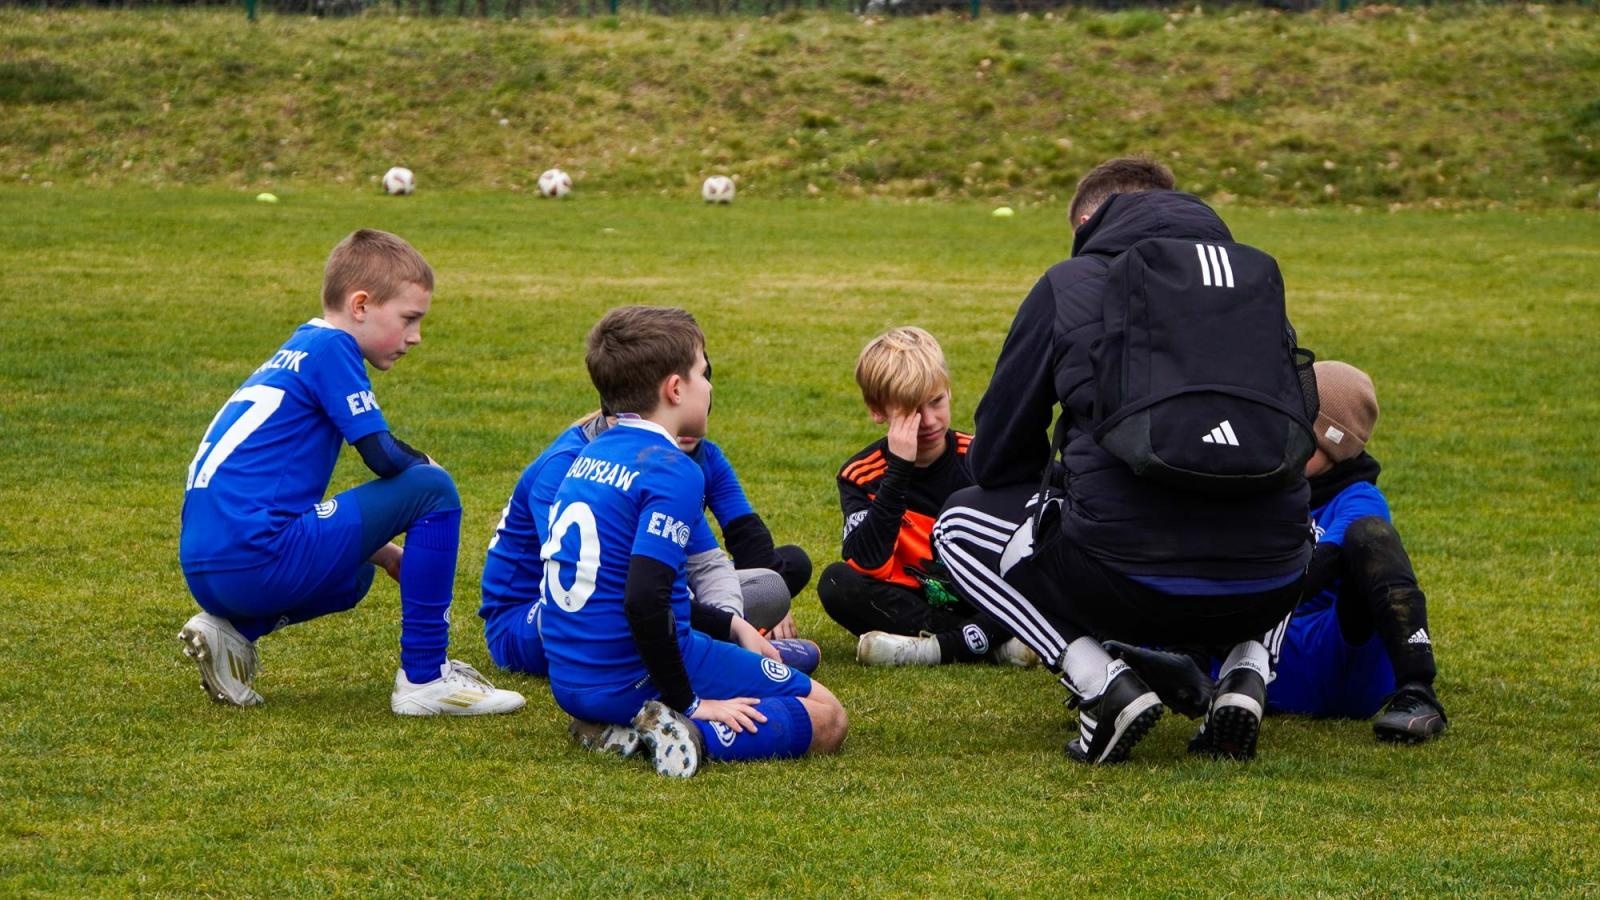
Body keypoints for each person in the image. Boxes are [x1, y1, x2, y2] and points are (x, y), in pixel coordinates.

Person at [933, 157, 1313, 764]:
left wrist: (1067, 483)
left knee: (956, 526)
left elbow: (999, 453)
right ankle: (1247, 671)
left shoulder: (1070, 282)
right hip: (1265, 586)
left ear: (1090, 220)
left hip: (1123, 581)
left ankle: (1102, 685)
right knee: (1291, 521)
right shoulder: (1254, 288)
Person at [177, 229, 524, 716]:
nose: (415, 337)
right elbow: (382, 455)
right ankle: (426, 677)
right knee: (433, 488)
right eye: (409, 319)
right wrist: (429, 467)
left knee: (357, 573)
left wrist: (382, 551)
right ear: (360, 305)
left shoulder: (297, 349)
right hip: (255, 557)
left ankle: (232, 631)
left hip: (208, 563)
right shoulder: (333, 347)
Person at [538, 306, 847, 777]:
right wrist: (691, 702)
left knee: (738, 655)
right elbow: (644, 599)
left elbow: (626, 589)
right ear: (675, 389)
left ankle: (612, 727)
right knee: (828, 715)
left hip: (573, 681)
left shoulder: (587, 455)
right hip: (630, 676)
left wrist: (732, 626)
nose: (709, 387)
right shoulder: (673, 470)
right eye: (703, 373)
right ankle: (684, 733)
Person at [479, 410, 818, 682]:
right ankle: (704, 652)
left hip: (636, 594)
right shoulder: (566, 464)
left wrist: (727, 626)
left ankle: (716, 647)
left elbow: (710, 562)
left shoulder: (667, 464)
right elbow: (590, 580)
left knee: (769, 586)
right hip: (534, 618)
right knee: (630, 601)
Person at [816, 326, 1035, 668]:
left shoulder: (981, 458)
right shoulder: (861, 475)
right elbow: (868, 563)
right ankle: (984, 643)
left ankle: (939, 648)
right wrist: (898, 471)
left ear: (949, 391)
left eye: (936, 402)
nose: (930, 421)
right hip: (916, 600)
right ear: (877, 410)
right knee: (836, 583)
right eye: (912, 411)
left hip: (987, 597)